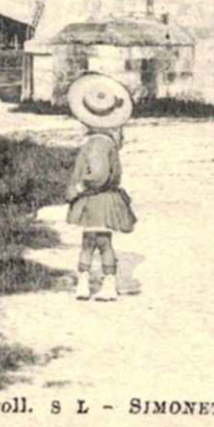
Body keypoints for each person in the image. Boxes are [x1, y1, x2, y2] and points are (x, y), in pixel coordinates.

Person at [65, 73, 138, 302]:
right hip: (105, 198)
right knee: (100, 241)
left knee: (94, 243)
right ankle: (98, 283)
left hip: (95, 198)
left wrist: (78, 187)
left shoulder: (96, 143)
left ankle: (93, 283)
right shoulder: (107, 142)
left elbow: (97, 175)